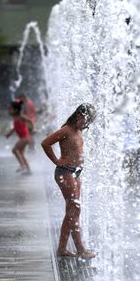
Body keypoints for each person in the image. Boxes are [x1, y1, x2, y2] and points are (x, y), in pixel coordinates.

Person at [41, 103, 97, 259]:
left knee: (71, 211)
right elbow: (45, 143)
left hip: (75, 173)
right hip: (65, 172)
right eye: (86, 121)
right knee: (75, 209)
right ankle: (80, 249)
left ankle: (62, 248)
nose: (87, 125)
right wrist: (57, 161)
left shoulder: (78, 130)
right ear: (79, 116)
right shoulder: (66, 130)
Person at [5, 99, 33, 175]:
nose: (8, 110)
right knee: (21, 153)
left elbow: (30, 120)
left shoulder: (21, 116)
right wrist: (9, 134)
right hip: (24, 138)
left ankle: (22, 165)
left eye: (10, 109)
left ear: (16, 110)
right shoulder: (16, 118)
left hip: (25, 137)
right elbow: (15, 127)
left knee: (15, 150)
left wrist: (33, 129)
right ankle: (28, 170)